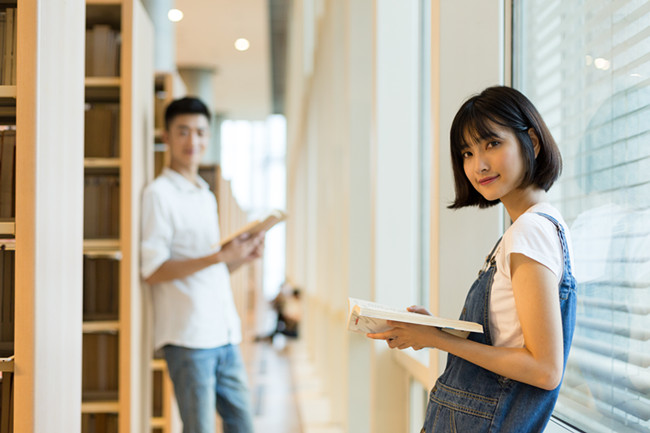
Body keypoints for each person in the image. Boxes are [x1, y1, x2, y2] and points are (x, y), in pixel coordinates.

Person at [368, 86, 577, 433]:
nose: (478, 164)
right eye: (466, 152)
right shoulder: (529, 229)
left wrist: (439, 339)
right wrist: (436, 330)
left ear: (533, 143)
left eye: (492, 144)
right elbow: (509, 343)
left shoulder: (530, 232)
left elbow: (544, 369)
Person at [141, 97, 264, 433]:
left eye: (199, 132)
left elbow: (210, 270)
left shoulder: (205, 194)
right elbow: (152, 270)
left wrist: (239, 258)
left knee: (243, 426)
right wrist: (217, 257)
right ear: (166, 137)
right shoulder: (159, 194)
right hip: (188, 339)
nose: (192, 141)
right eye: (183, 132)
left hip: (224, 333)